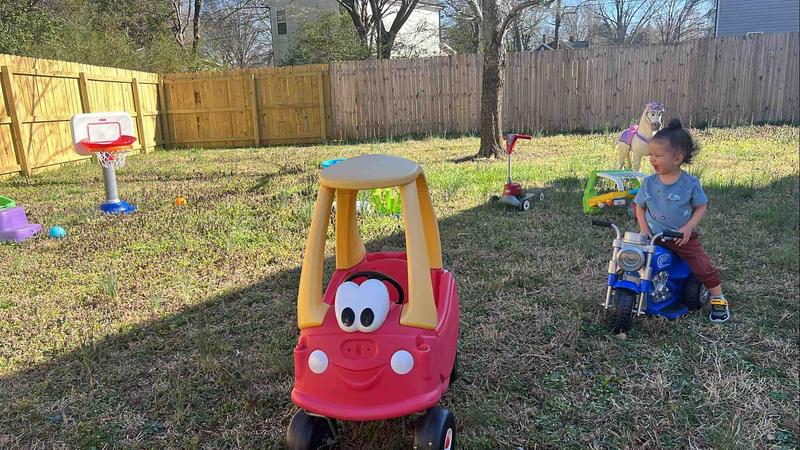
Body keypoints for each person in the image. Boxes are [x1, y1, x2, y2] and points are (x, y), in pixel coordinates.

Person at [633, 118, 730, 323]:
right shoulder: (649, 183)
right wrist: (643, 229)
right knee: (633, 259)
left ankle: (718, 298)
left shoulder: (689, 184)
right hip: (654, 237)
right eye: (651, 155)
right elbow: (639, 207)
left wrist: (688, 228)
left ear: (676, 158)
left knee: (702, 266)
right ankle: (638, 291)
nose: (652, 159)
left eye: (657, 155)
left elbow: (701, 206)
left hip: (681, 238)